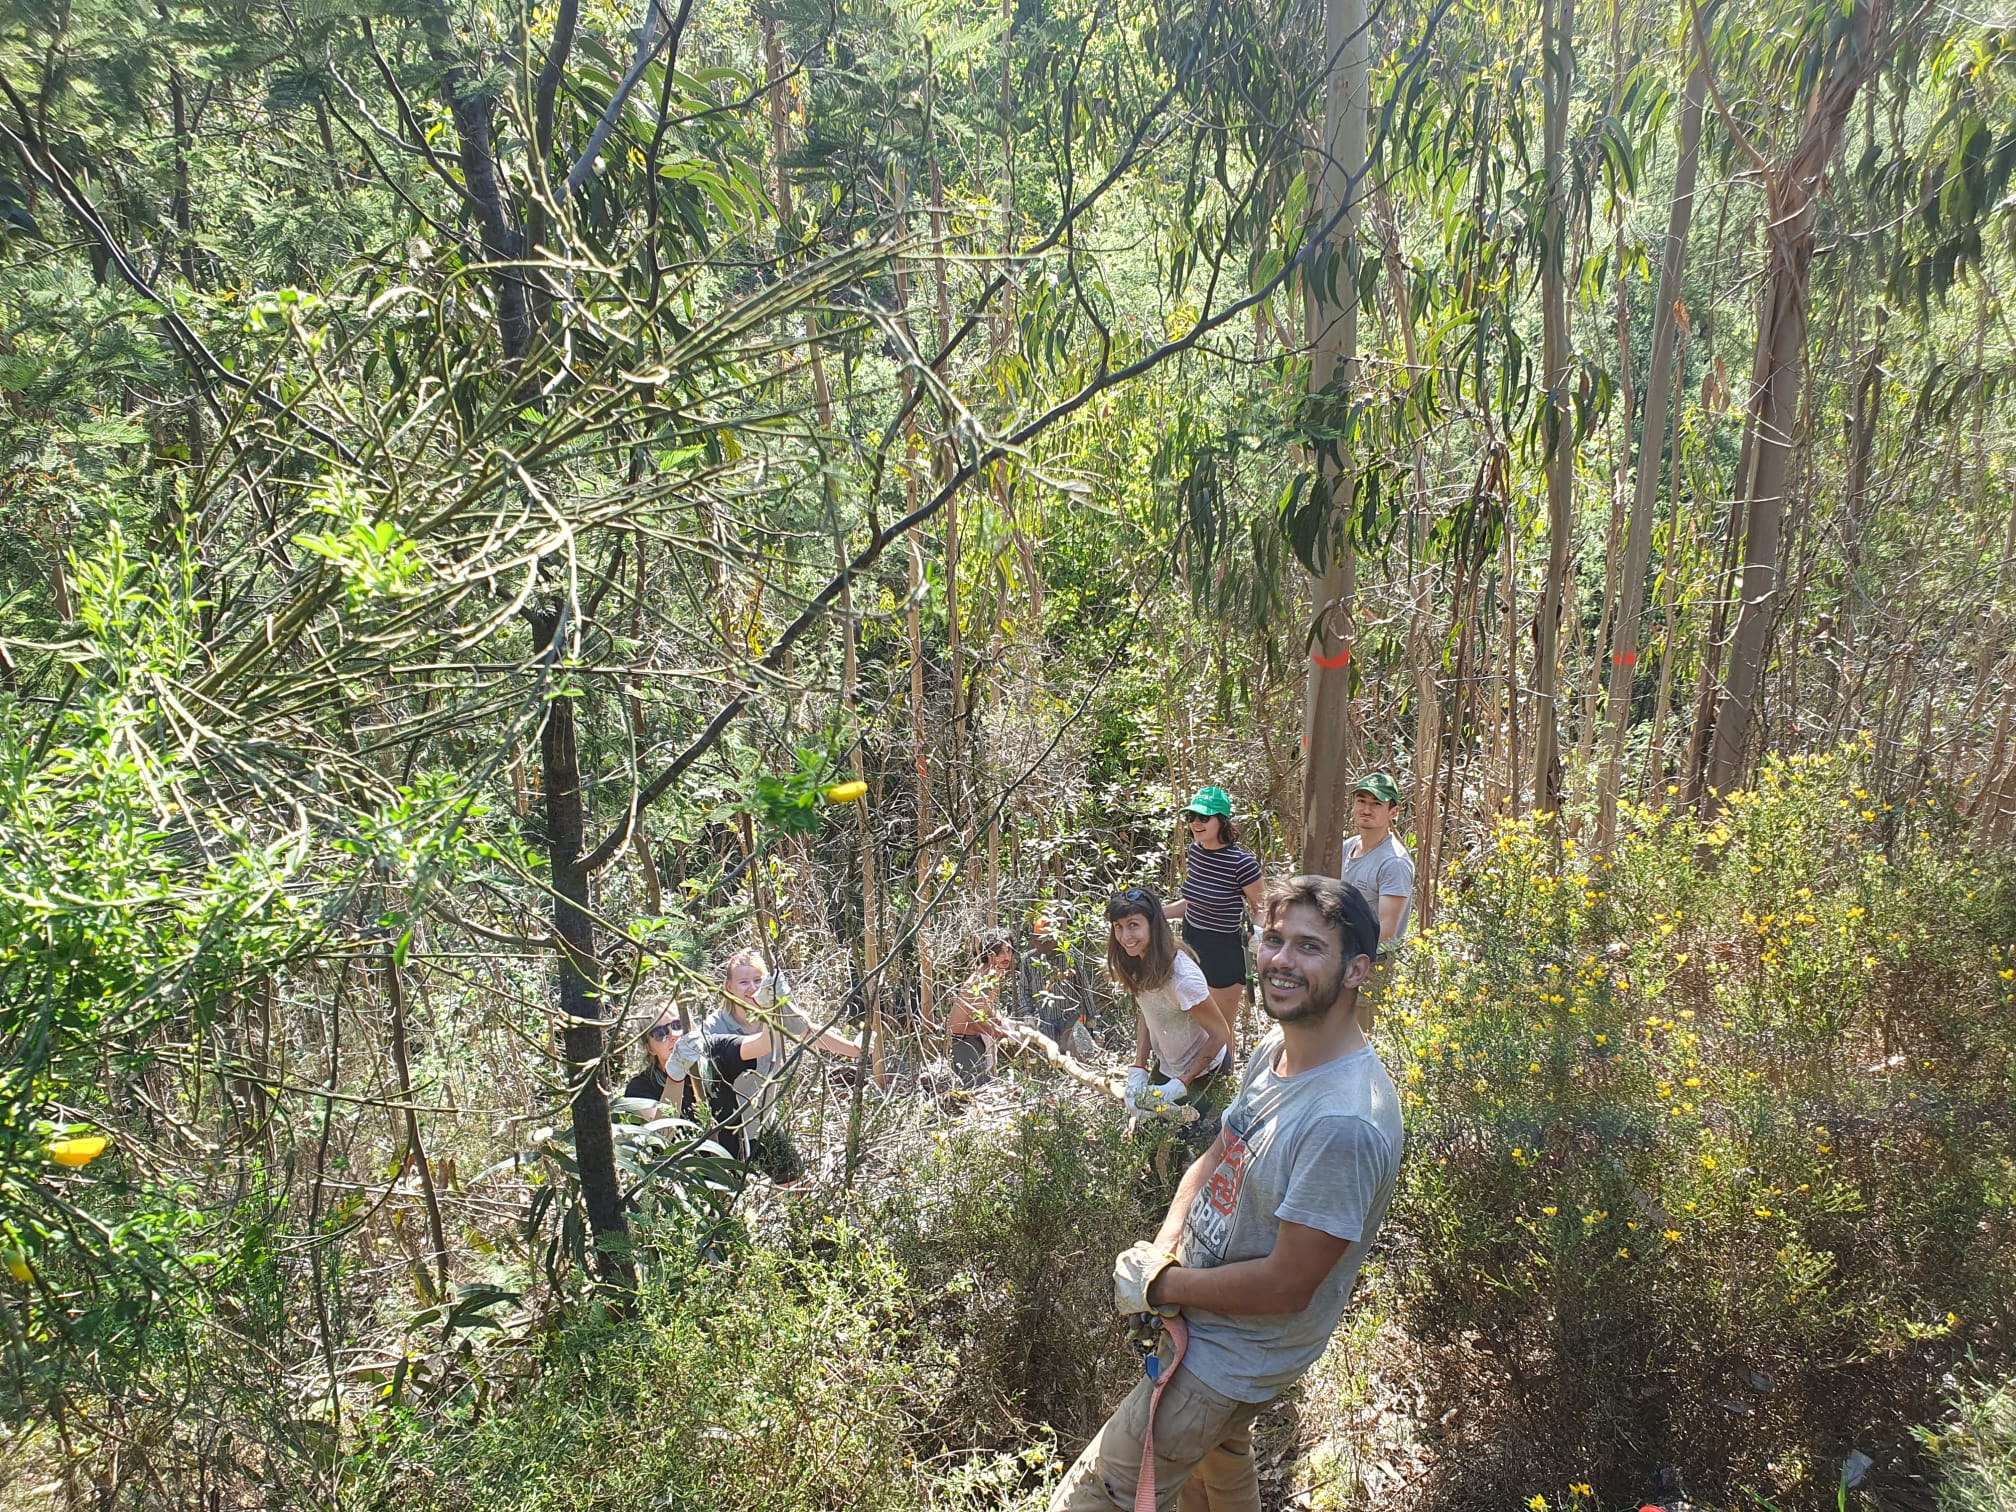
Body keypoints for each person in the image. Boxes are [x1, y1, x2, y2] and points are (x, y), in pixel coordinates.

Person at [1051, 876, 1403, 1512]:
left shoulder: (1344, 1123)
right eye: (1274, 939)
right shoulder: (1277, 1049)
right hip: (1202, 1320)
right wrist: (1163, 1253)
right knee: (1219, 1469)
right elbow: (1218, 1153)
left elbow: (1286, 1286)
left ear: (1356, 970)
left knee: (1095, 1495)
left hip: (1229, 1359)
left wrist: (1164, 1286)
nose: (1281, 960)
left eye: (1309, 947)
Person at [702, 948, 862, 1182]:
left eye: (758, 980)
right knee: (729, 1195)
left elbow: (807, 1032)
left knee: (797, 1185)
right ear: (729, 987)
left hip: (764, 1123)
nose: (752, 988)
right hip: (726, 1129)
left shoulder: (776, 1010)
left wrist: (854, 1050)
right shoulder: (714, 1027)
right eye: (743, 982)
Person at [1105, 888, 1233, 1135]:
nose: (1125, 936)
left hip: (1204, 1072)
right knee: (1147, 1135)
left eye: (1133, 925)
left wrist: (1181, 1084)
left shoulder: (1183, 979)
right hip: (1168, 1066)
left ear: (1153, 925)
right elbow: (1149, 1012)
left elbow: (1220, 1033)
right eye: (1118, 927)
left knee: (1186, 1143)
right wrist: (1138, 1069)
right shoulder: (1135, 962)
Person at [1162, 786, 1267, 1045]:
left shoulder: (1242, 863)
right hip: (1191, 944)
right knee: (1194, 1023)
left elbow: (1262, 907)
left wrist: (1257, 933)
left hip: (1224, 950)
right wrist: (1155, 914)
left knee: (1221, 1028)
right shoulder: (1196, 851)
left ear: (1221, 821)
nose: (1196, 823)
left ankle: (1226, 1070)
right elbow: (1193, 901)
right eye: (1192, 817)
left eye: (1204, 817)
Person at [620, 1001, 780, 1162]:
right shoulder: (640, 1088)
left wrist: (772, 1002)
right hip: (684, 1174)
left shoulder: (712, 1050)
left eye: (677, 1025)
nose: (673, 1035)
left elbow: (765, 1043)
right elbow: (661, 1138)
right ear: (649, 1048)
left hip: (735, 1167)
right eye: (660, 1033)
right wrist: (676, 1074)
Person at [1337, 771, 1414, 1032]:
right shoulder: (1347, 847)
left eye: (1376, 804)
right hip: (1339, 957)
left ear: (1393, 812)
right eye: (1361, 801)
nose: (1366, 810)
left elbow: (1386, 929)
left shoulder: (1394, 863)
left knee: (1361, 1036)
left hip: (1370, 962)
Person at [946, 929, 1015, 1087]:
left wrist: (1000, 1021)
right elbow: (974, 1019)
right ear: (990, 954)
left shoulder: (993, 974)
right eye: (1000, 952)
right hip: (962, 1042)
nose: (1006, 956)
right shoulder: (985, 976)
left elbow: (985, 1009)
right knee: (976, 1087)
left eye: (1009, 951)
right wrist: (1001, 1033)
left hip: (974, 1040)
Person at [1020, 915, 1096, 1058]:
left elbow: (1084, 987)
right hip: (1045, 1020)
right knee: (1052, 1058)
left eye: (1050, 941)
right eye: (1042, 942)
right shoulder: (1028, 961)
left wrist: (1091, 1015)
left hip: (1071, 1018)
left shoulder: (1070, 956)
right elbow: (1024, 990)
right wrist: (1027, 1013)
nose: (1047, 946)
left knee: (1079, 1055)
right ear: (1035, 941)